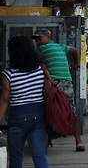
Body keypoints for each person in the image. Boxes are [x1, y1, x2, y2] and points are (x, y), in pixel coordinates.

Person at [0, 36, 51, 168]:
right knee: (39, 155)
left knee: (16, 158)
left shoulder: (8, 74)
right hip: (38, 116)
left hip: (17, 117)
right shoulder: (41, 69)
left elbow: (4, 100)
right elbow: (49, 92)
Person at [32, 28, 85, 151]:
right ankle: (79, 142)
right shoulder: (60, 47)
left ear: (48, 38)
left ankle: (48, 136)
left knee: (48, 109)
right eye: (36, 40)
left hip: (53, 84)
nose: (38, 42)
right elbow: (75, 51)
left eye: (40, 39)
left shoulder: (41, 49)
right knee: (71, 111)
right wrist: (76, 64)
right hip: (67, 82)